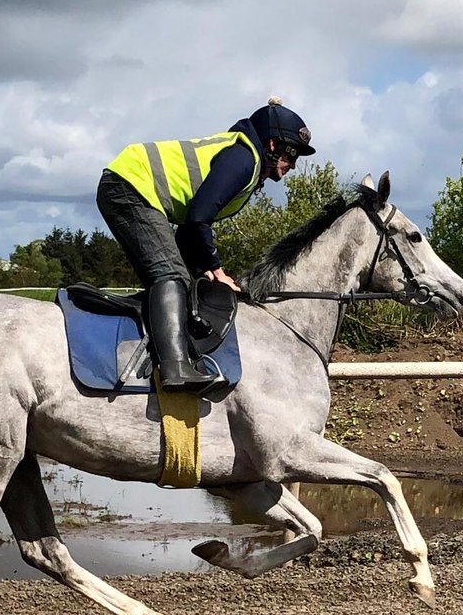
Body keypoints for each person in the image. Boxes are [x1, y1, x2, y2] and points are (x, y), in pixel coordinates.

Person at [97, 97, 316, 393]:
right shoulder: (244, 158)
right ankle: (175, 368)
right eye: (292, 154)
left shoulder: (244, 157)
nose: (293, 165)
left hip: (131, 186)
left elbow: (189, 229)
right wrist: (216, 268)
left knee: (184, 278)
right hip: (130, 186)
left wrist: (203, 269)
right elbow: (200, 218)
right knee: (171, 275)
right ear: (273, 145)